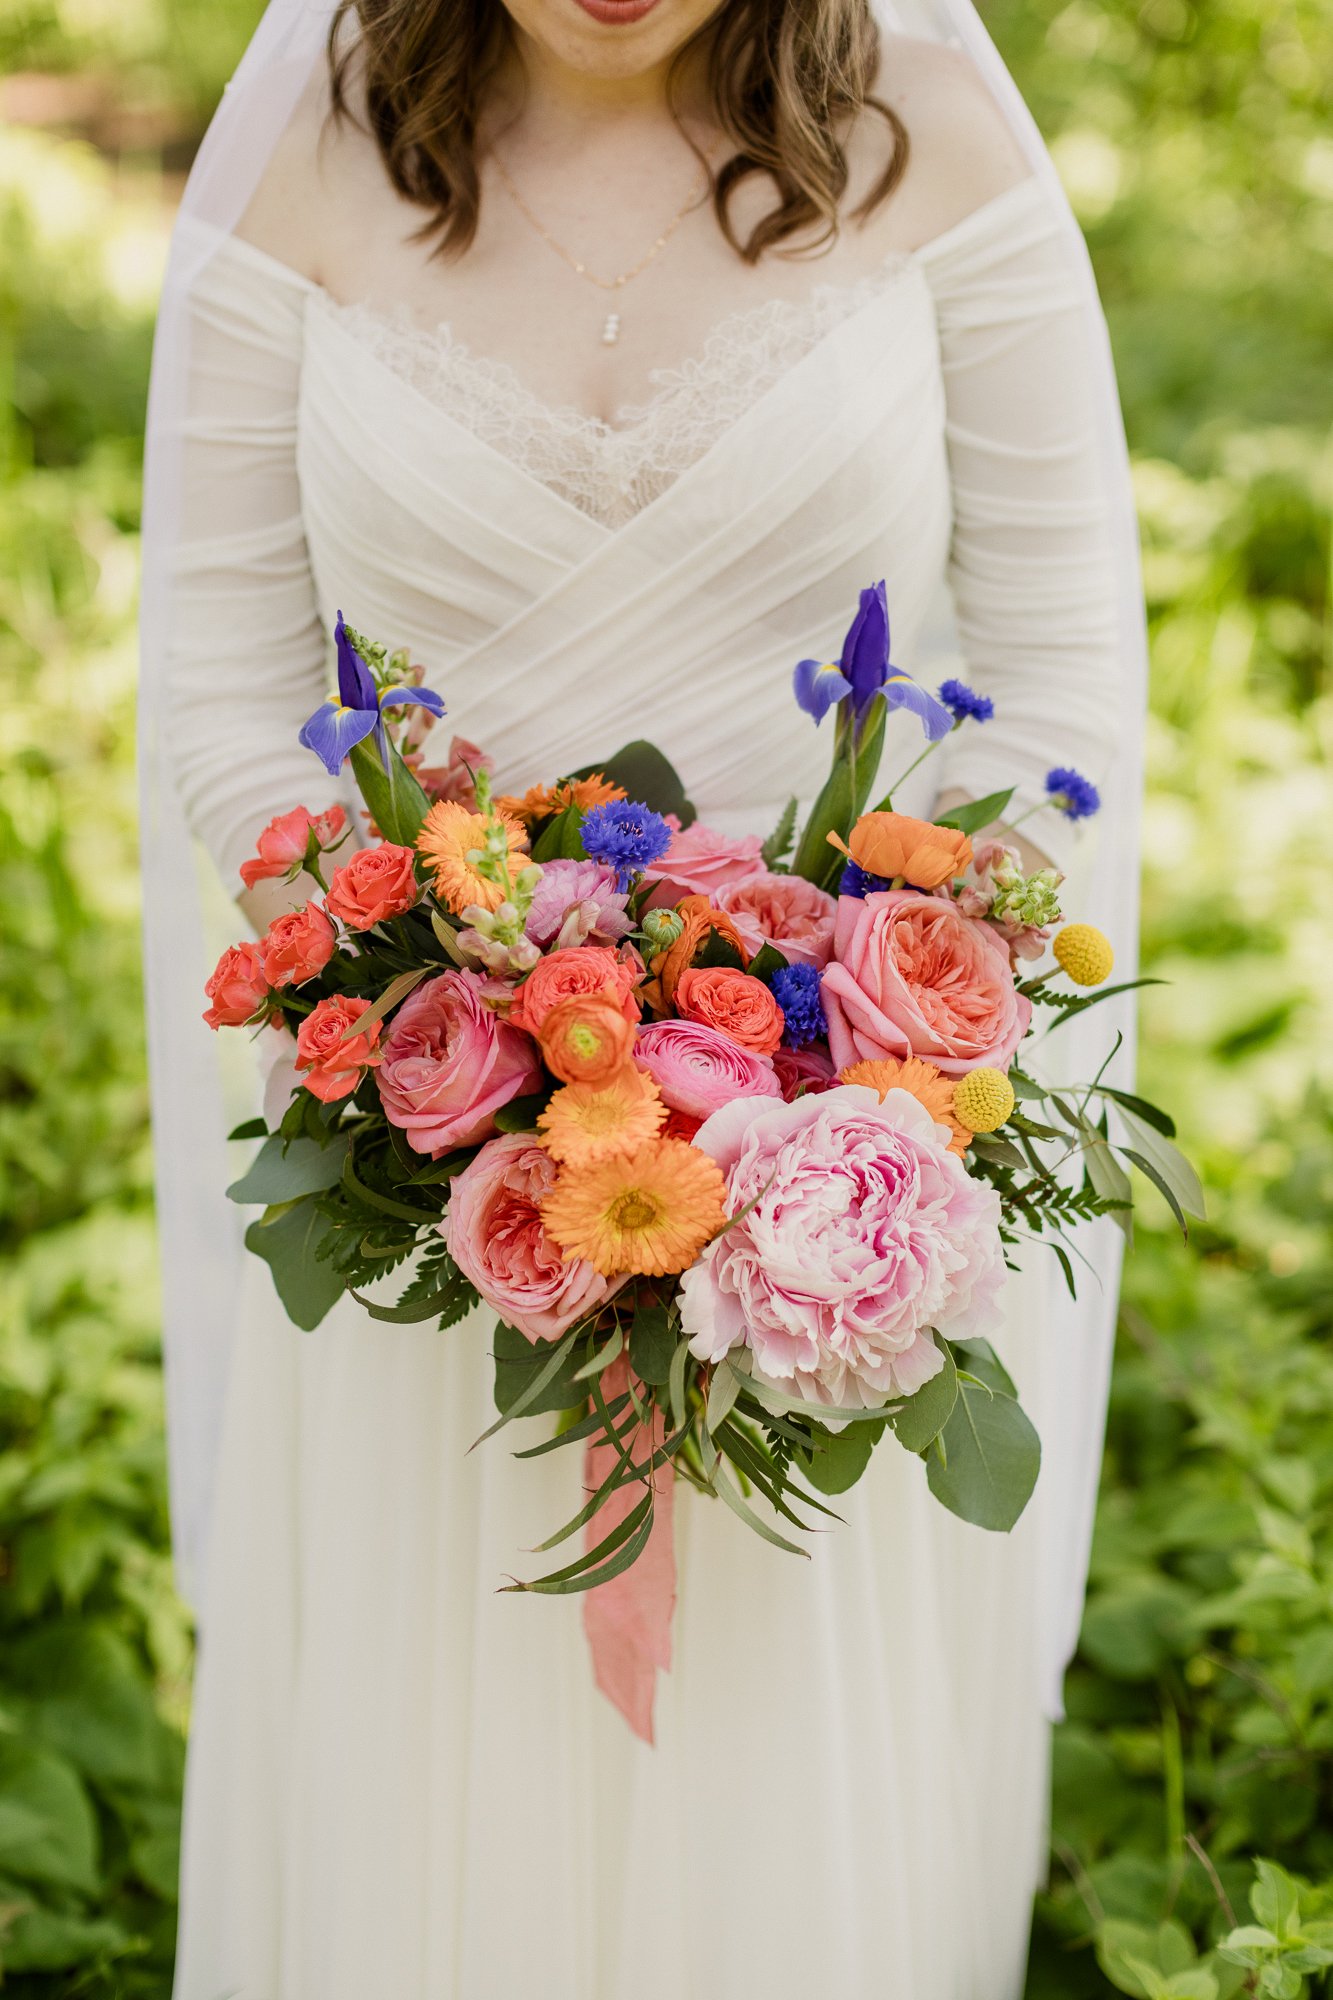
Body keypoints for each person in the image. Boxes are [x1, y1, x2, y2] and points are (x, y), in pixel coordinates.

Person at [140, 0, 1145, 1990]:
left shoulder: (926, 116)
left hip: (828, 1178)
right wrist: (445, 999)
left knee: (785, 1801)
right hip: (442, 1170)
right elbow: (223, 681)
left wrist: (860, 1026)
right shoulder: (303, 140)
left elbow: (1057, 673)